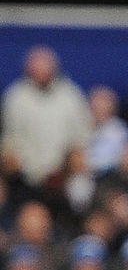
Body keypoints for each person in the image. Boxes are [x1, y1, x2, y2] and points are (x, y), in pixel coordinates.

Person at [0, 46, 90, 198]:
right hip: (24, 176)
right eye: (36, 67)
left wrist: (72, 162)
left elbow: (81, 136)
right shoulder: (15, 97)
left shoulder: (70, 96)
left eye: (45, 67)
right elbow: (8, 137)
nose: (41, 72)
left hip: (64, 176)